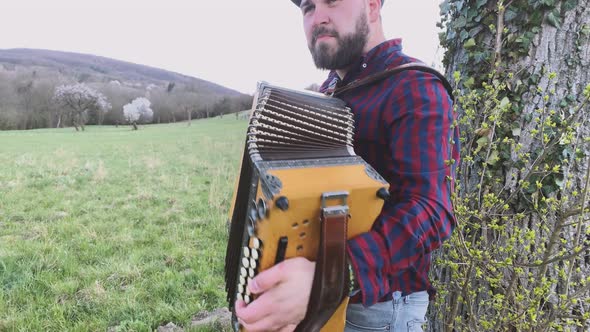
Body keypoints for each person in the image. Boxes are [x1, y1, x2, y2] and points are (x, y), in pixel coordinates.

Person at [235, 0, 460, 331]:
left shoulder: (415, 86)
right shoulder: (328, 93)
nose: (318, 18)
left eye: (332, 2)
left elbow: (431, 212)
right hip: (317, 295)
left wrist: (330, 278)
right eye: (308, 8)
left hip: (380, 310)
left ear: (371, 6)